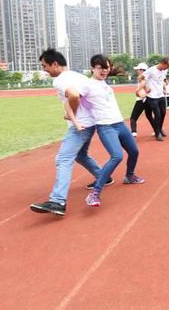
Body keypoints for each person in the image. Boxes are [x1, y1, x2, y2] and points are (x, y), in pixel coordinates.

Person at [30, 49, 105, 217]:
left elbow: (74, 96)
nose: (45, 70)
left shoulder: (61, 80)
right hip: (91, 123)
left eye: (45, 66)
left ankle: (58, 201)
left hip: (81, 125)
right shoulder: (77, 76)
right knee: (80, 155)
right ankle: (103, 176)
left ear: (55, 64)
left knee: (63, 159)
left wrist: (73, 114)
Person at [71, 55, 144, 208]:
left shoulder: (104, 83)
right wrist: (73, 118)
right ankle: (95, 193)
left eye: (106, 68)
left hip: (119, 124)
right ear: (92, 68)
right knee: (117, 156)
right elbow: (71, 97)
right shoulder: (87, 85)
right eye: (100, 68)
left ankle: (129, 176)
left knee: (134, 151)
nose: (103, 71)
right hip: (106, 127)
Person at [143, 57, 169, 141]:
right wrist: (146, 88)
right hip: (152, 96)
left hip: (161, 95)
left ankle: (159, 128)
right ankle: (157, 133)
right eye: (166, 66)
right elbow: (141, 78)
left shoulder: (165, 70)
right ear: (162, 63)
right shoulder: (151, 70)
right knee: (157, 115)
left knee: (163, 113)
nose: (166, 69)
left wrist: (164, 87)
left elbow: (162, 79)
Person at [129, 62, 154, 137]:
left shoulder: (142, 77)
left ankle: (133, 132)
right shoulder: (149, 78)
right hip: (148, 99)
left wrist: (137, 91)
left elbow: (145, 87)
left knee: (133, 118)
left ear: (142, 70)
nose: (137, 71)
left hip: (141, 100)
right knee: (149, 116)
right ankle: (157, 129)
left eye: (138, 70)